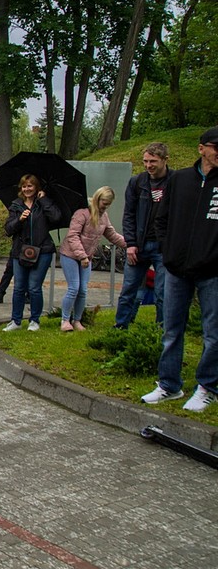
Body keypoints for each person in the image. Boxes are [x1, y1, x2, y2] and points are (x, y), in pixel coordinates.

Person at [140, 127, 218, 412]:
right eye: (215, 147)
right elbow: (162, 219)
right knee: (172, 329)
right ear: (201, 149)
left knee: (213, 333)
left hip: (212, 271)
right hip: (176, 267)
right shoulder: (181, 179)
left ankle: (208, 386)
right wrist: (168, 250)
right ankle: (169, 385)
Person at [115, 142, 171, 329]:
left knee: (163, 292)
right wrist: (130, 243)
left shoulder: (175, 182)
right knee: (128, 289)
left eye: (153, 161)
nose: (148, 166)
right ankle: (121, 327)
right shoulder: (137, 182)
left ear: (165, 160)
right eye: (145, 161)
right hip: (139, 244)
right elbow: (129, 214)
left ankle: (161, 332)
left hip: (164, 247)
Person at [59, 187, 126, 332]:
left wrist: (131, 244)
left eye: (108, 203)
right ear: (97, 199)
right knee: (74, 288)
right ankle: (65, 320)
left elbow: (112, 235)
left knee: (83, 290)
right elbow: (73, 235)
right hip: (70, 255)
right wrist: (82, 256)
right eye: (103, 202)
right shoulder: (82, 213)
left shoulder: (104, 217)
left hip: (86, 257)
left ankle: (77, 320)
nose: (105, 206)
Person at [3, 175, 61, 332]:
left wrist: (44, 201)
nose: (27, 189)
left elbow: (56, 217)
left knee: (34, 287)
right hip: (20, 251)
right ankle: (15, 320)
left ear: (36, 187)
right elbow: (8, 229)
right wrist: (19, 220)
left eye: (30, 186)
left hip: (42, 250)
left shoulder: (43, 203)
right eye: (24, 186)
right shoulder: (16, 205)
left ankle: (34, 320)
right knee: (19, 287)